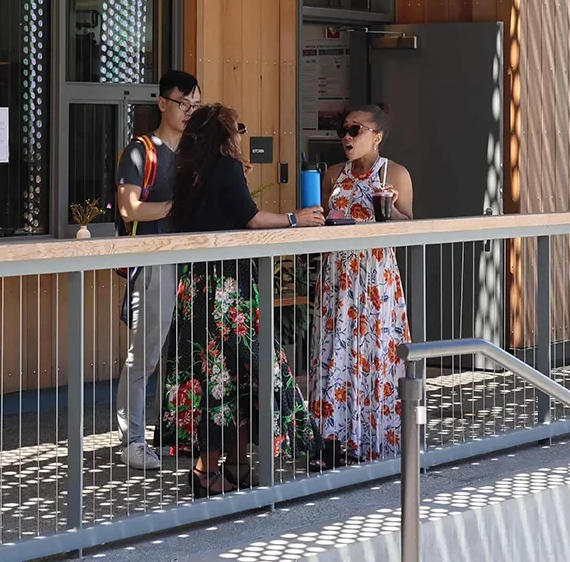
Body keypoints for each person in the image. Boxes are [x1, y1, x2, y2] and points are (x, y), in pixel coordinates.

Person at [160, 104, 325, 496]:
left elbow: (208, 213)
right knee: (241, 373)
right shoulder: (226, 169)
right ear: (224, 134)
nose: (241, 135)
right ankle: (210, 470)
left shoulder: (186, 171)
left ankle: (226, 466)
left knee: (211, 376)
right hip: (229, 285)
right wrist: (295, 219)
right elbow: (250, 218)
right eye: (238, 129)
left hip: (195, 286)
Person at [312, 104, 414, 463]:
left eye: (356, 130)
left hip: (375, 275)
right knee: (336, 353)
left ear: (378, 136)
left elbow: (408, 226)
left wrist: (391, 210)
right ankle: (333, 441)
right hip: (338, 275)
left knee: (375, 350)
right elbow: (323, 220)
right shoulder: (333, 175)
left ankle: (376, 440)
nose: (347, 136)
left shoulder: (394, 173)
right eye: (344, 129)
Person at [114, 70, 201, 471]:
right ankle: (131, 438)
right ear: (162, 102)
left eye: (195, 105)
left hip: (192, 260)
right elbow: (129, 208)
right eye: (183, 103)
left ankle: (178, 431)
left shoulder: (194, 153)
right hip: (153, 260)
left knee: (188, 351)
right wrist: (177, 207)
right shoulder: (140, 151)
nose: (189, 111)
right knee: (144, 353)